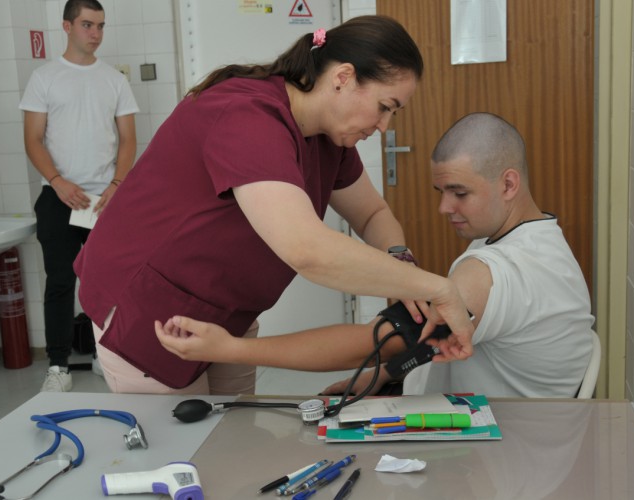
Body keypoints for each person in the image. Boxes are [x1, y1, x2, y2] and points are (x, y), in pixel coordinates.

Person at [73, 15, 475, 396]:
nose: (385, 125)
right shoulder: (248, 117)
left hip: (226, 310)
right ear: (343, 78)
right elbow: (307, 251)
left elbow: (372, 214)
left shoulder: (329, 137)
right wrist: (435, 288)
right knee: (184, 454)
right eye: (385, 107)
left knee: (233, 440)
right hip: (151, 306)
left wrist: (401, 266)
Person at [157, 112, 595, 398]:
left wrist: (229, 348)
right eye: (441, 192)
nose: (444, 208)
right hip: (521, 433)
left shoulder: (495, 272)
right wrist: (383, 375)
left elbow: (375, 341)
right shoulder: (539, 240)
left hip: (502, 454)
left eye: (460, 193)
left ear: (509, 184)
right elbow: (424, 344)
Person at [20, 0, 138, 392]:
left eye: (101, 26)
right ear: (67, 26)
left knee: (109, 281)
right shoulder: (45, 77)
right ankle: (58, 368)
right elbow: (33, 140)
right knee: (59, 281)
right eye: (88, 24)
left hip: (105, 199)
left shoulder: (114, 80)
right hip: (59, 197)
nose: (96, 33)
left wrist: (116, 186)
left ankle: (111, 357)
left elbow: (128, 141)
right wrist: (57, 180)